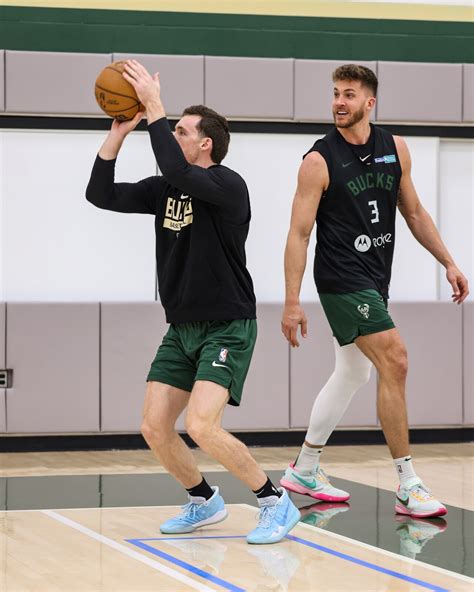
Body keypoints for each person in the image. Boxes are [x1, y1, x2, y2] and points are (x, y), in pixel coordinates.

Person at [86, 59, 300, 544]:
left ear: (205, 143)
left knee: (201, 424)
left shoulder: (228, 186)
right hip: (181, 326)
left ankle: (274, 501)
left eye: (181, 130)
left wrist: (156, 107)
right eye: (171, 128)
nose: (170, 133)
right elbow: (99, 194)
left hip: (227, 323)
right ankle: (204, 500)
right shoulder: (165, 190)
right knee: (154, 427)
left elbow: (176, 168)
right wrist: (119, 132)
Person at [280, 64, 469, 518]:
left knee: (353, 373)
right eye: (335, 94)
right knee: (395, 359)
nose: (339, 102)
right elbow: (299, 234)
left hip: (374, 279)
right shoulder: (318, 160)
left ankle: (305, 466)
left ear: (370, 102)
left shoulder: (395, 148)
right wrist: (291, 301)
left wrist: (448, 261)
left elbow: (415, 211)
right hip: (342, 280)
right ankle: (407, 483)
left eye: (348, 94)